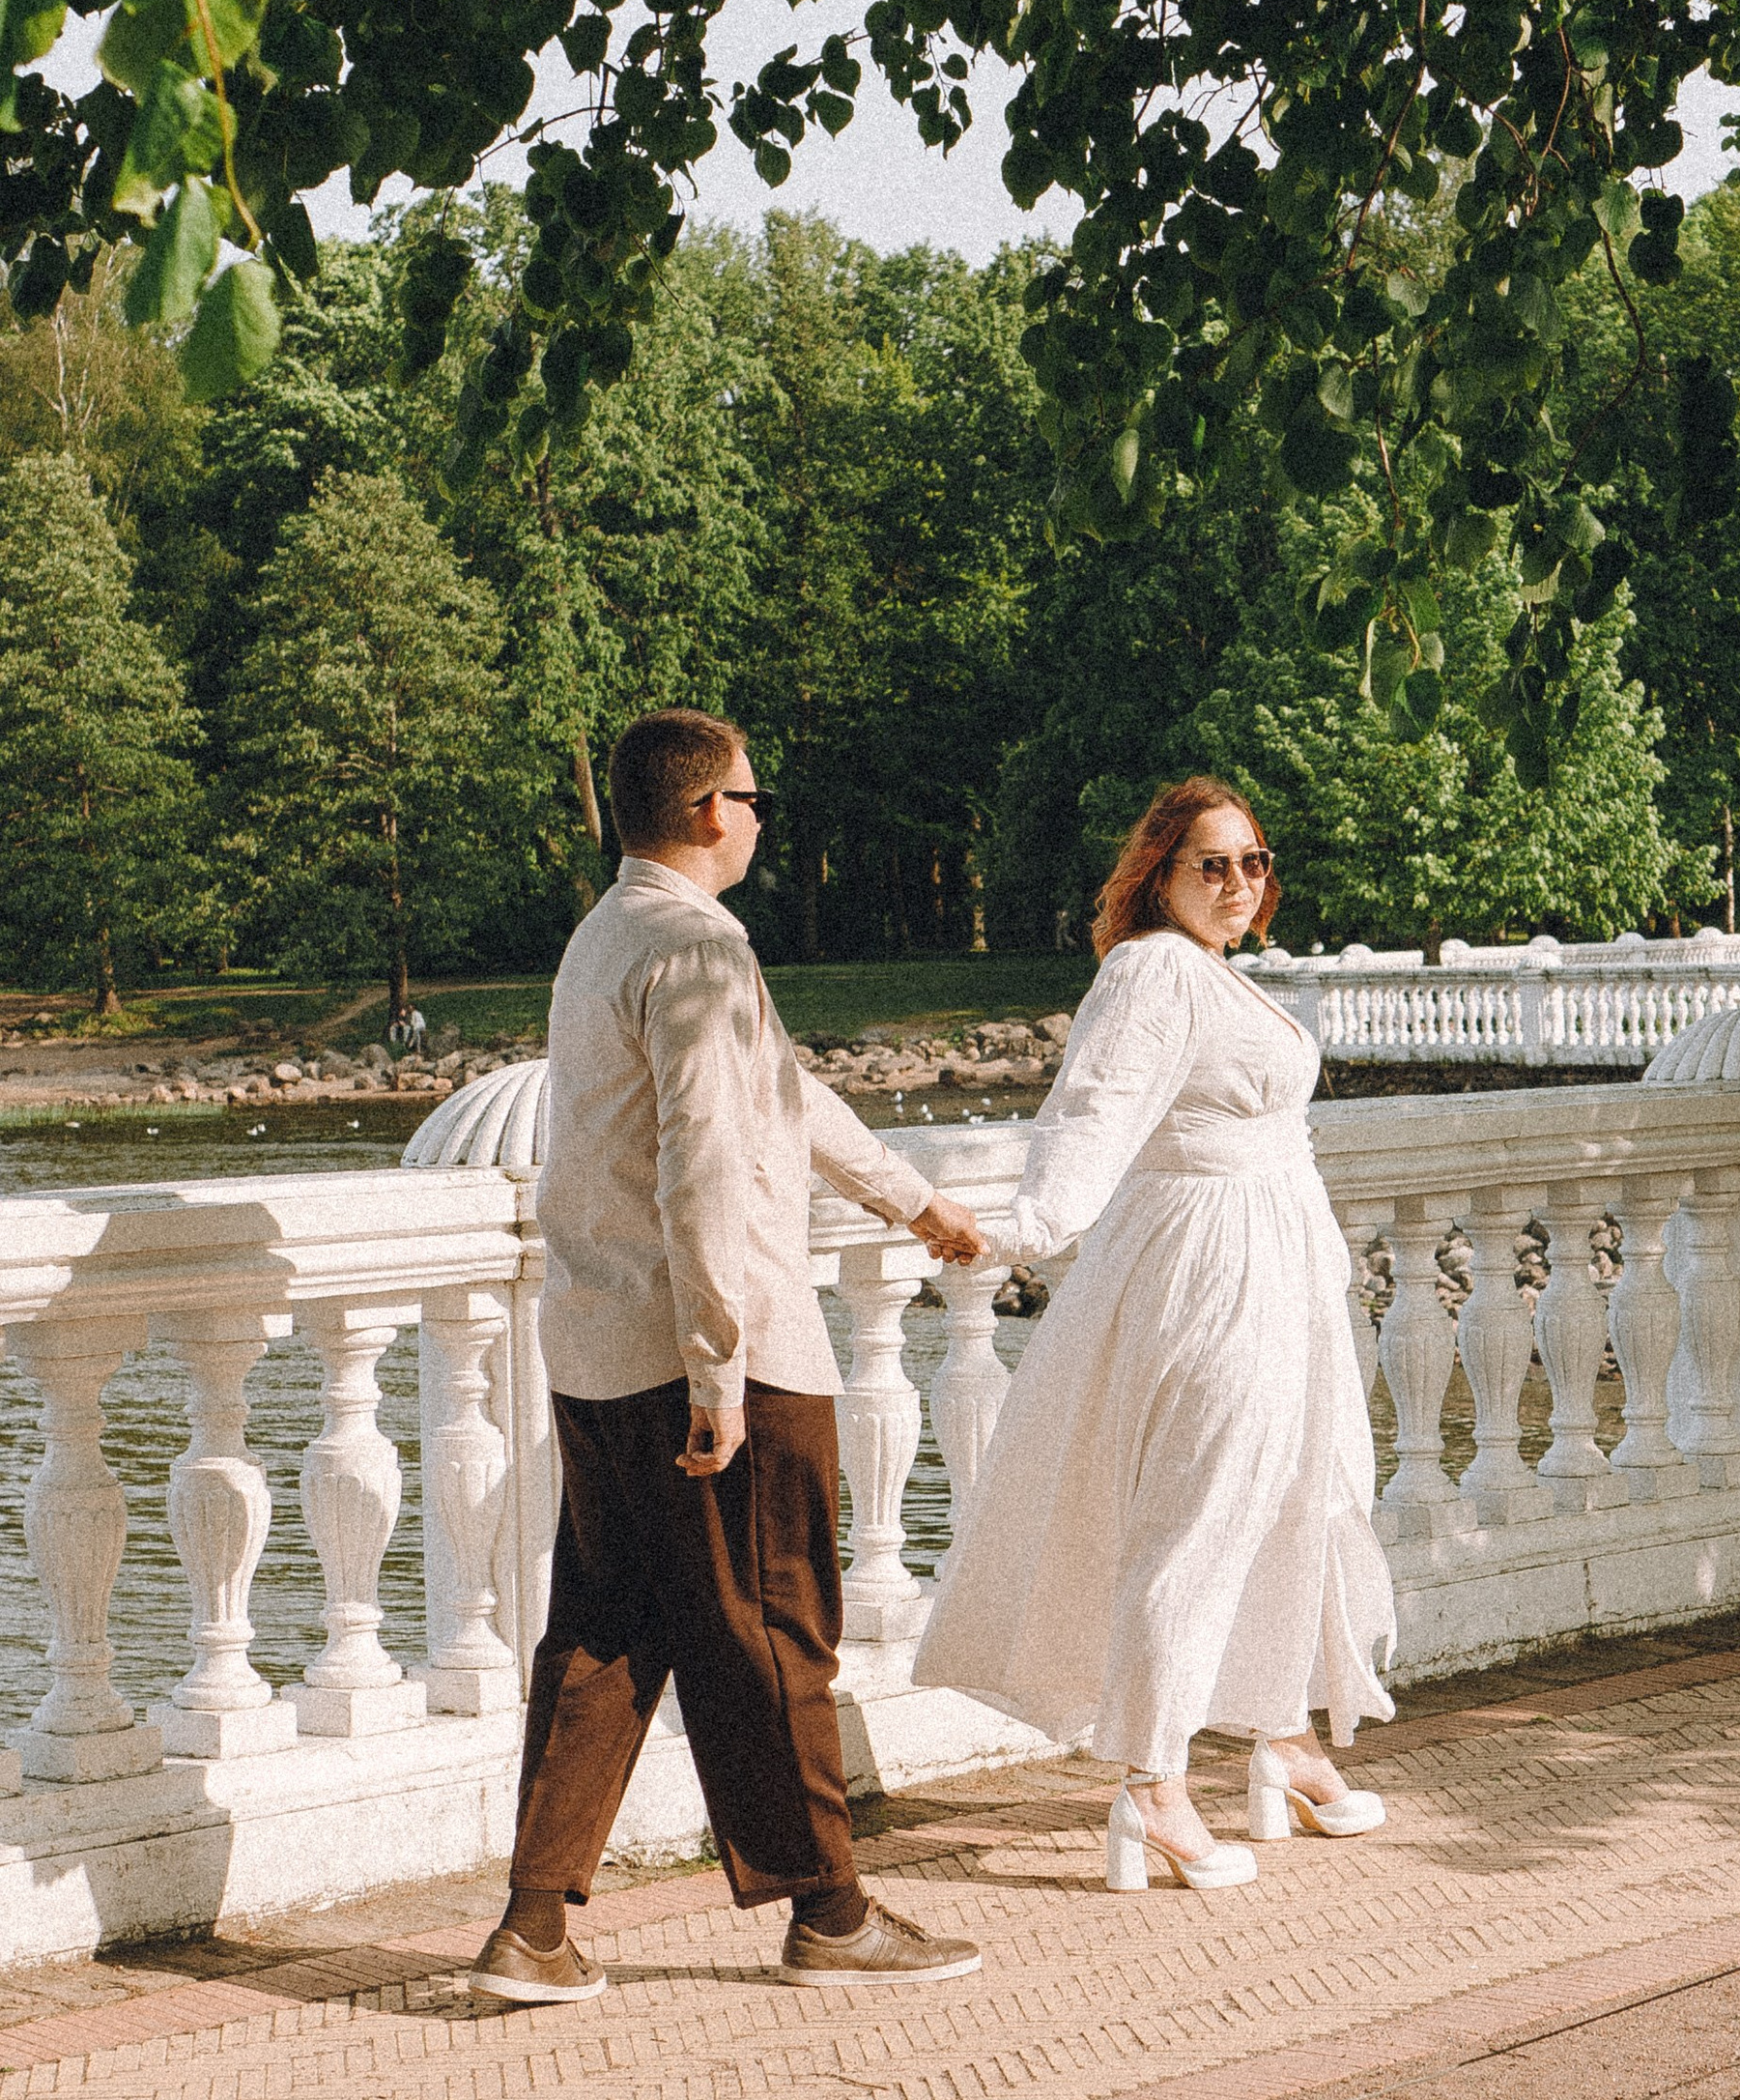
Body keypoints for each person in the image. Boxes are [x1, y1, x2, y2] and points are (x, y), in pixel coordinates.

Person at [470, 706, 992, 2005]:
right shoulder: (698, 945)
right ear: (713, 813)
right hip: (717, 1351)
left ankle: (534, 1928)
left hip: (597, 1347)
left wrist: (913, 1203)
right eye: (753, 800)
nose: (759, 818)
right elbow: (703, 1165)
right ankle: (831, 1914)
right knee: (773, 1630)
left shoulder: (608, 936)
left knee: (606, 1632)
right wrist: (719, 1373)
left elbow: (779, 1098)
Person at [916, 778, 1394, 1890]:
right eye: (1211, 864)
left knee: (1299, 1495)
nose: (1238, 884)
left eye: (1254, 862)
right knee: (1201, 1513)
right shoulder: (1148, 972)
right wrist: (1018, 1233)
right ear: (1158, 875)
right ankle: (1151, 1780)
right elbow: (1089, 1118)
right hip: (1210, 1270)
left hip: (1278, 1265)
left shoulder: (1215, 972)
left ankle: (1280, 1733)